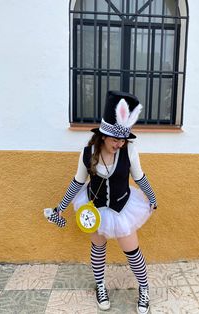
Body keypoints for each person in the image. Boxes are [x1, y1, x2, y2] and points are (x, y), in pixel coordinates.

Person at [47, 90, 157, 314]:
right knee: (98, 249)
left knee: (133, 252)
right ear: (103, 136)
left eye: (123, 140)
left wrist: (152, 197)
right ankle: (100, 286)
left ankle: (144, 288)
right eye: (116, 139)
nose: (119, 144)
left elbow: (139, 177)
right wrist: (61, 207)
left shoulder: (130, 151)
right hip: (94, 210)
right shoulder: (87, 153)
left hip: (122, 209)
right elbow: (77, 183)